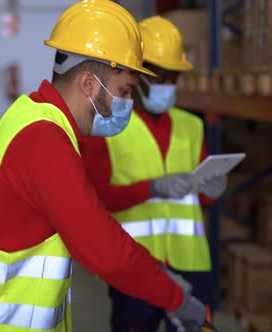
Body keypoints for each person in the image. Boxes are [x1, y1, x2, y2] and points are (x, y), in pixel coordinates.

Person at [0, 2, 207, 331]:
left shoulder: (35, 117)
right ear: (89, 84)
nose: (129, 104)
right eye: (124, 91)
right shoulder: (44, 141)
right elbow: (105, 250)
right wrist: (176, 296)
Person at [79, 16, 228, 332]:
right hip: (135, 265)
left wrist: (212, 191)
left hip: (191, 264)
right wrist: (151, 188)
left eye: (173, 78)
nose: (167, 86)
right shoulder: (105, 127)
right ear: (136, 76)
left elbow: (199, 194)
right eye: (159, 77)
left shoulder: (192, 126)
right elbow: (94, 200)